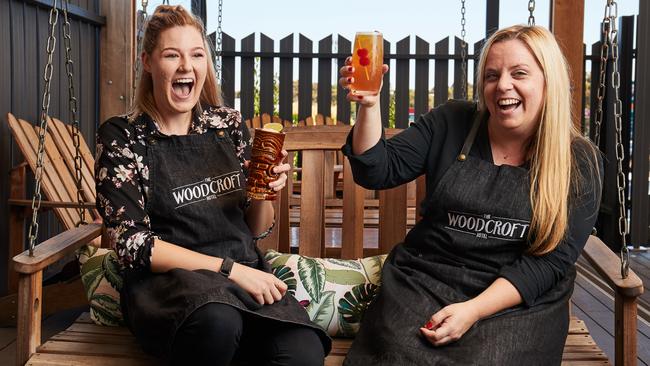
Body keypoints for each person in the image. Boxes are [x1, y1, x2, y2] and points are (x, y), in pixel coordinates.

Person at [338, 25, 602, 365]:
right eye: (492, 75)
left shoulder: (578, 160)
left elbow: (549, 262)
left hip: (515, 302)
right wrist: (369, 106)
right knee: (396, 355)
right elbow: (375, 169)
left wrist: (474, 310)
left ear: (547, 81)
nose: (503, 85)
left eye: (519, 73)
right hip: (424, 283)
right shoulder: (452, 122)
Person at [95, 5, 329, 366]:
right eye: (172, 55)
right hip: (170, 287)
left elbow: (255, 227)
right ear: (147, 62)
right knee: (218, 322)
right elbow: (131, 245)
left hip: (243, 275)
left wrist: (264, 191)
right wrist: (229, 270)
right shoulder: (123, 136)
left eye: (197, 54)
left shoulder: (227, 124)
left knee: (303, 351)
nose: (186, 66)